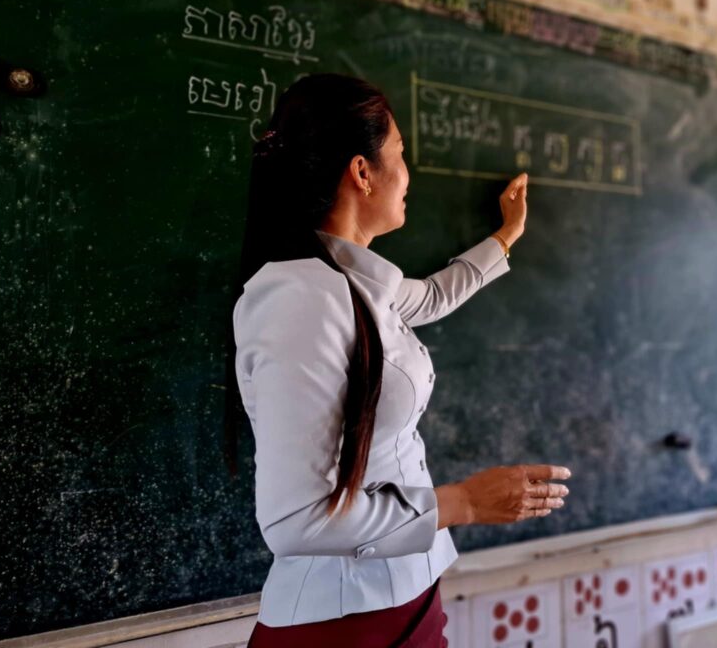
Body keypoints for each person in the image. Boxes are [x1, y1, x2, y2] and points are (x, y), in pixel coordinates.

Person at [232, 73, 572, 646]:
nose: (409, 174)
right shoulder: (301, 301)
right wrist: (466, 502)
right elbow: (294, 520)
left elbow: (432, 296)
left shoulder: (355, 285)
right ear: (362, 172)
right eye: (400, 153)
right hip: (343, 622)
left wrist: (506, 236)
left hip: (406, 593)